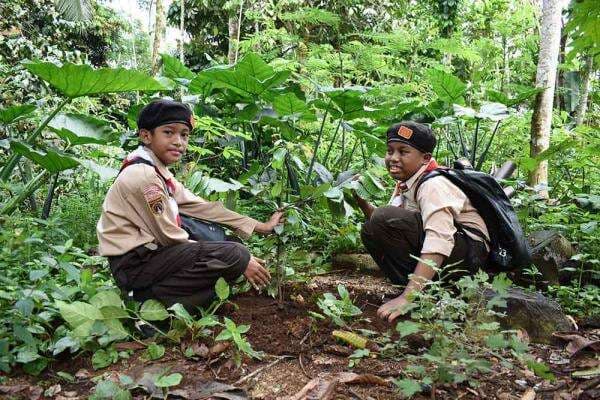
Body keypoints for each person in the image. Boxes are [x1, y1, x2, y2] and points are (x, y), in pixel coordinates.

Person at [97, 99, 283, 310]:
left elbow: (201, 207)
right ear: (146, 136)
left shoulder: (155, 169)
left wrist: (260, 226)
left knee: (228, 244)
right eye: (169, 132)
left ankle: (176, 298)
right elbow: (170, 236)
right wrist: (240, 259)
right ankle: (149, 301)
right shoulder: (144, 176)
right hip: (134, 264)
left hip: (148, 256)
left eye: (184, 134)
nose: (179, 141)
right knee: (234, 254)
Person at [353, 121, 490, 322]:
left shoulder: (433, 184)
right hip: (455, 250)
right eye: (390, 151)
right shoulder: (407, 180)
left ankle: (419, 294)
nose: (394, 158)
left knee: (382, 217)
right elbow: (384, 225)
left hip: (470, 253)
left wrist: (408, 297)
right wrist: (360, 199)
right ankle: (425, 291)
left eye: (403, 152)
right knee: (370, 228)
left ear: (425, 158)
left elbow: (440, 239)